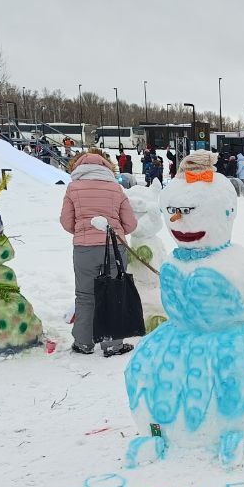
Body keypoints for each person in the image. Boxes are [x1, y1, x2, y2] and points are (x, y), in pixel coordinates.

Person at [60, 151, 139, 357]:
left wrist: (83, 232)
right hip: (114, 248)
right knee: (114, 294)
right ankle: (113, 345)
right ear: (107, 167)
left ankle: (83, 343)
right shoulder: (116, 188)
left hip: (84, 250)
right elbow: (130, 224)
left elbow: (66, 222)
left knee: (85, 295)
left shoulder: (72, 188)